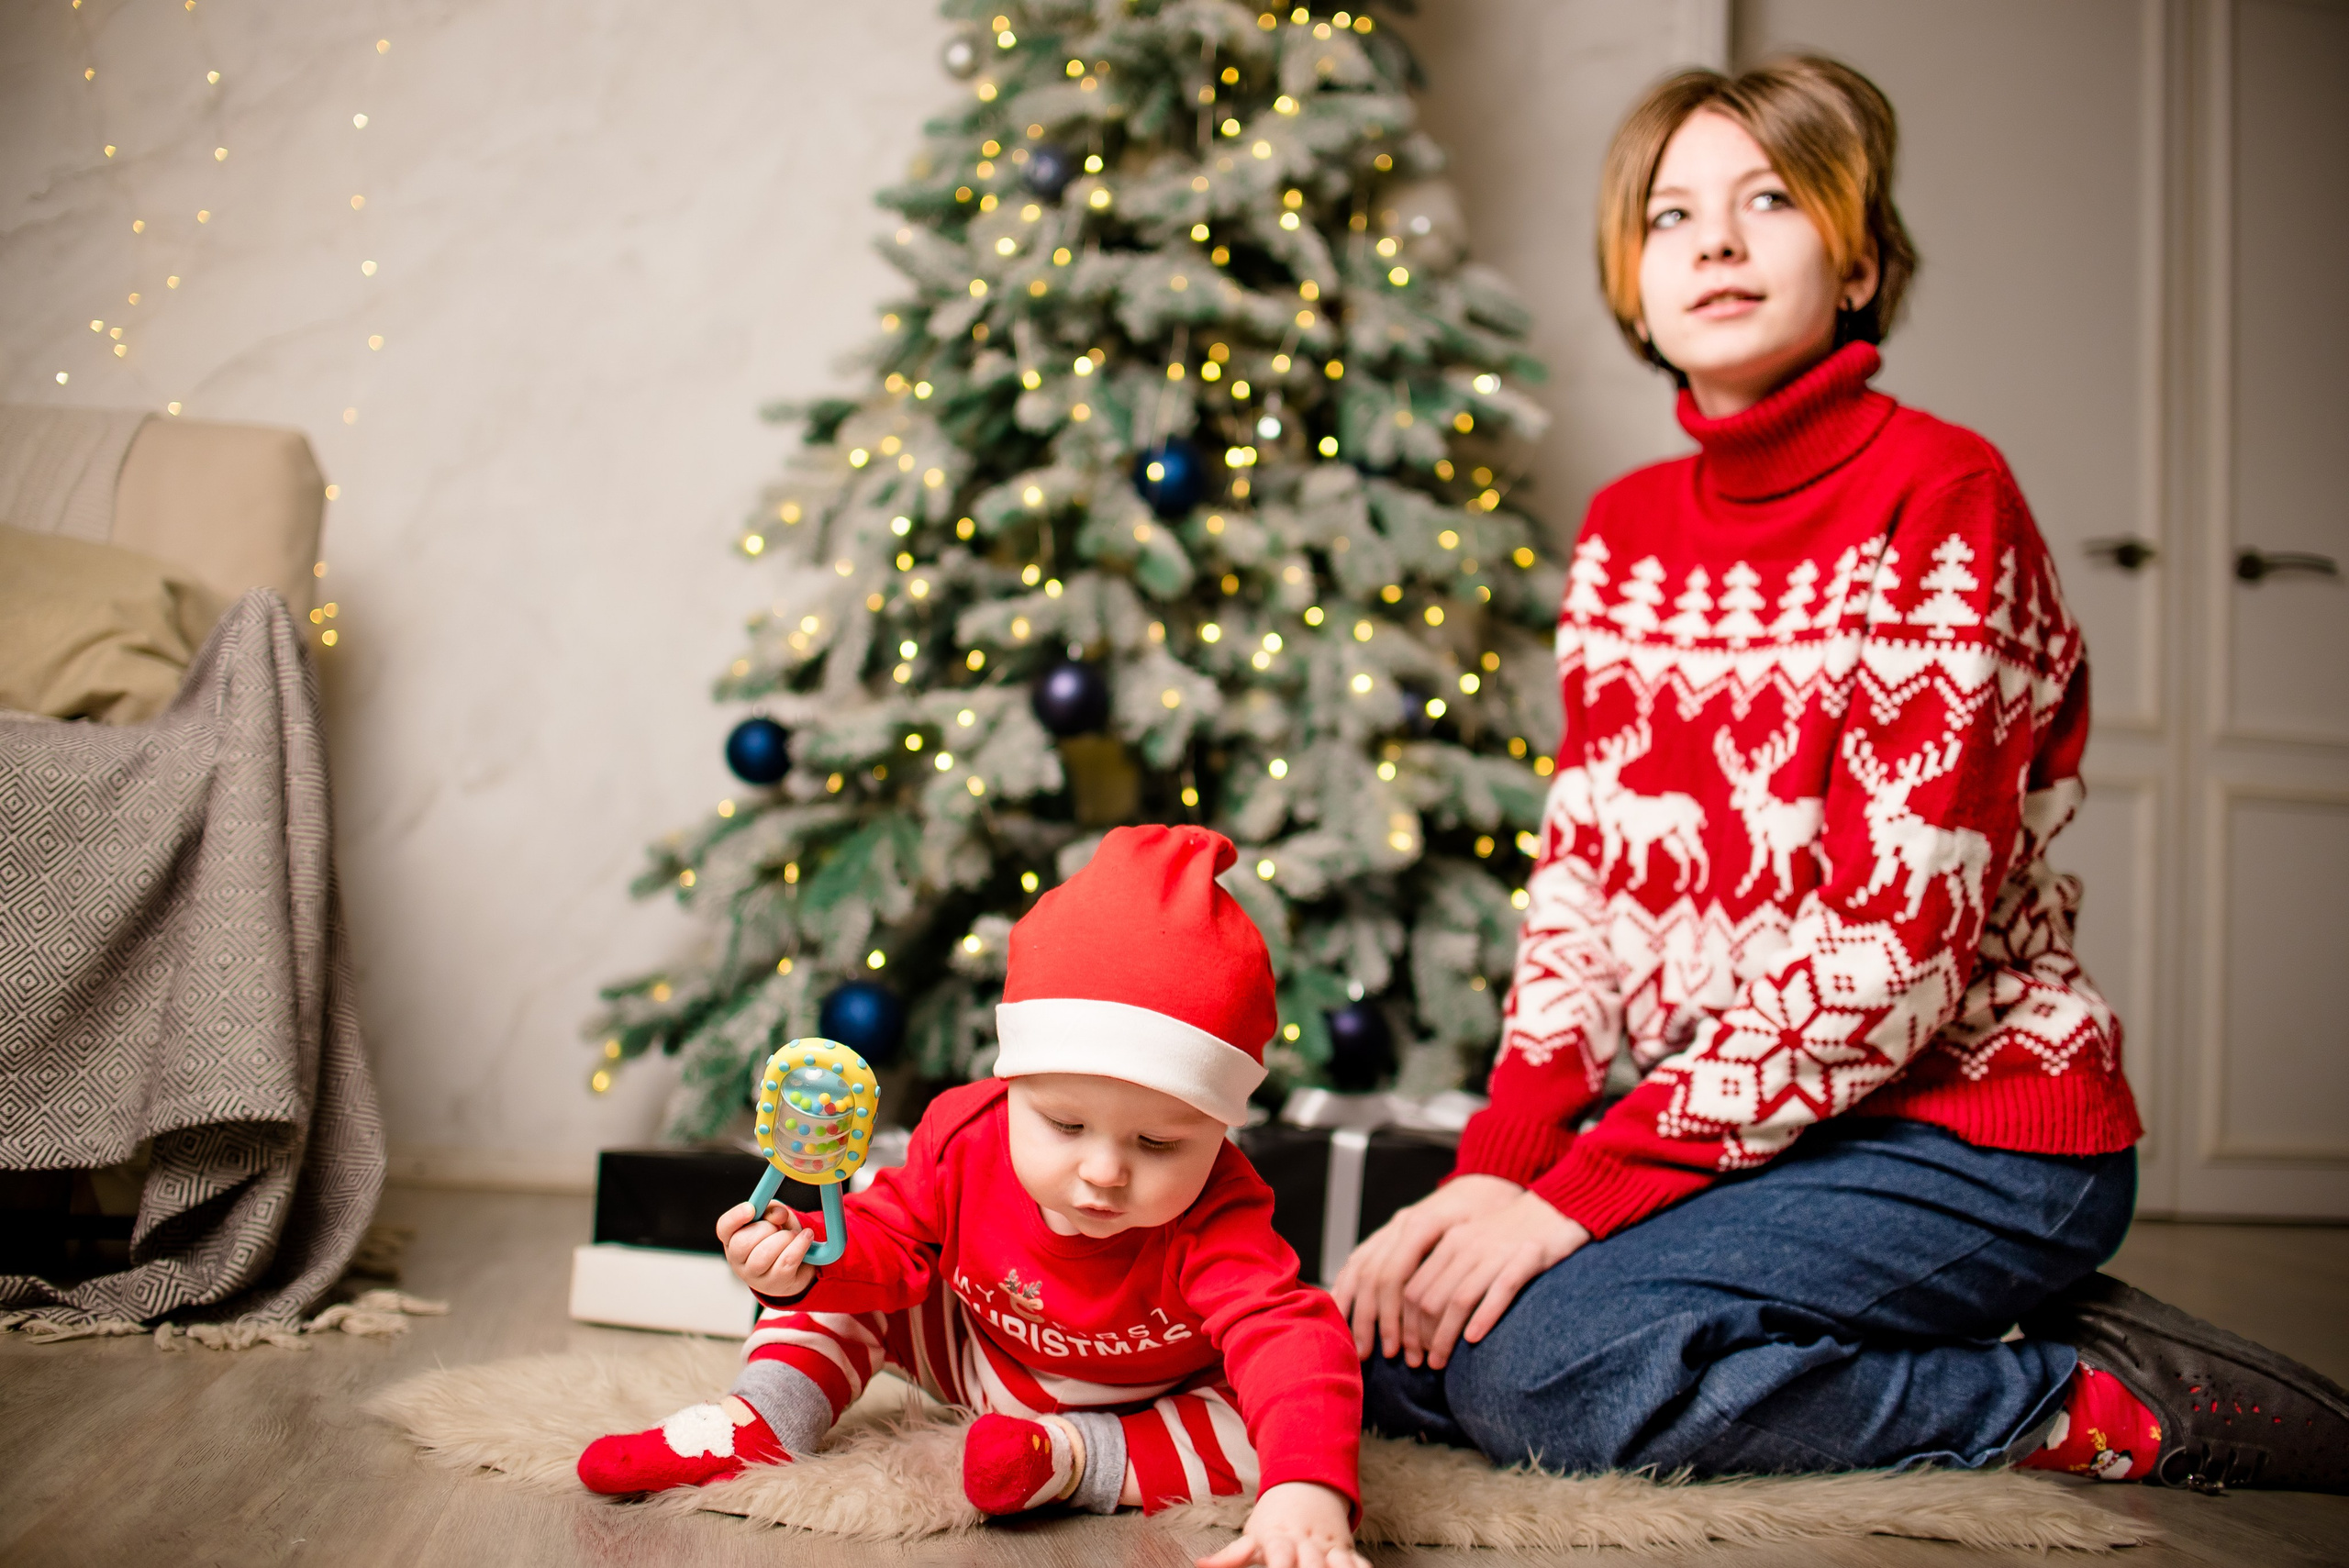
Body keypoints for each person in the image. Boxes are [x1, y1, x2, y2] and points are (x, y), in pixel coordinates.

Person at [1333, 56, 2349, 1494]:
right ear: (1632, 277)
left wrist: (1586, 1199)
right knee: (1387, 1337)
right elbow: (1587, 890)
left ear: (1860, 255)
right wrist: (1505, 1164)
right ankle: (1845, 1331)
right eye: (1672, 216)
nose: (1719, 243)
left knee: (1539, 1368)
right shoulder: (1625, 536)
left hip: (1970, 1127)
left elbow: (1896, 951)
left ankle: (2086, 1395)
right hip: (1747, 1129)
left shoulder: (1945, 498)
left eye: (1770, 201)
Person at [579, 825, 1370, 1568]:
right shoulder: (966, 1135)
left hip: (1145, 1394)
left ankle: (1066, 1462)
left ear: (1220, 1127)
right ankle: (760, 1416)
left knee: (1267, 1428)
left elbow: (1290, 1336)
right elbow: (891, 1243)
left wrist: (1306, 1491)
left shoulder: (1219, 1210)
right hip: (974, 1345)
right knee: (846, 1269)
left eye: (1158, 1143)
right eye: (1064, 1123)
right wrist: (802, 1262)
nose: (1103, 1171)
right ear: (1012, 1082)